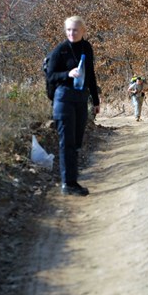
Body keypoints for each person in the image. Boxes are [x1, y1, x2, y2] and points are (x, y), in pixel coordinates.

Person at [46, 16, 100, 196]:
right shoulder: (60, 50)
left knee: (76, 142)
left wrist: (96, 100)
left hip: (81, 98)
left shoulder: (87, 47)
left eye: (75, 30)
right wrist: (68, 74)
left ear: (83, 31)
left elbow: (90, 74)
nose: (71, 33)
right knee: (67, 142)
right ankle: (68, 183)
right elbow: (51, 76)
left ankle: (71, 180)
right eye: (68, 30)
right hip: (63, 99)